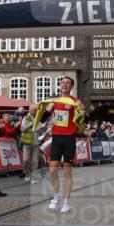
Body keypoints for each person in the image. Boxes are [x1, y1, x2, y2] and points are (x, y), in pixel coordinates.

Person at [44, 76, 84, 213]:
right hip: (56, 137)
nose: (65, 85)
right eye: (63, 83)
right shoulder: (55, 101)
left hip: (69, 138)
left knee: (67, 171)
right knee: (52, 169)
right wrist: (48, 108)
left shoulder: (75, 101)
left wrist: (82, 110)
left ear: (71, 87)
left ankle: (66, 201)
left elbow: (83, 120)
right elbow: (43, 118)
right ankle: (57, 196)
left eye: (68, 83)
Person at [19, 103, 45, 183]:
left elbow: (41, 132)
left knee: (35, 162)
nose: (36, 112)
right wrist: (31, 124)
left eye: (36, 110)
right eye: (34, 110)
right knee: (26, 160)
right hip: (27, 143)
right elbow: (22, 129)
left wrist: (44, 131)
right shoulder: (26, 118)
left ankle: (33, 178)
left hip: (36, 144)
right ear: (30, 110)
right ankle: (27, 174)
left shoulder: (39, 118)